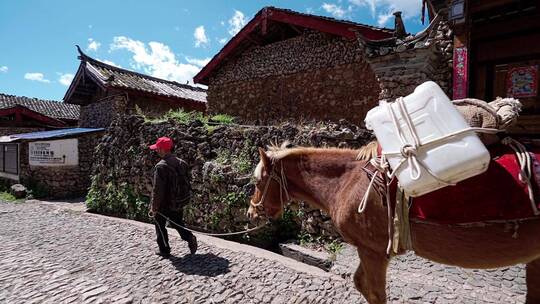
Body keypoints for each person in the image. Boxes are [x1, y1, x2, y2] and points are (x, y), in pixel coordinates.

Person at [148, 137, 197, 258]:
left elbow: (157, 190)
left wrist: (154, 207)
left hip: (164, 204)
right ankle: (189, 237)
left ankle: (164, 249)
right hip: (179, 201)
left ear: (162, 149)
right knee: (177, 223)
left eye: (157, 149)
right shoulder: (182, 162)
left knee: (160, 225)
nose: (156, 151)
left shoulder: (161, 166)